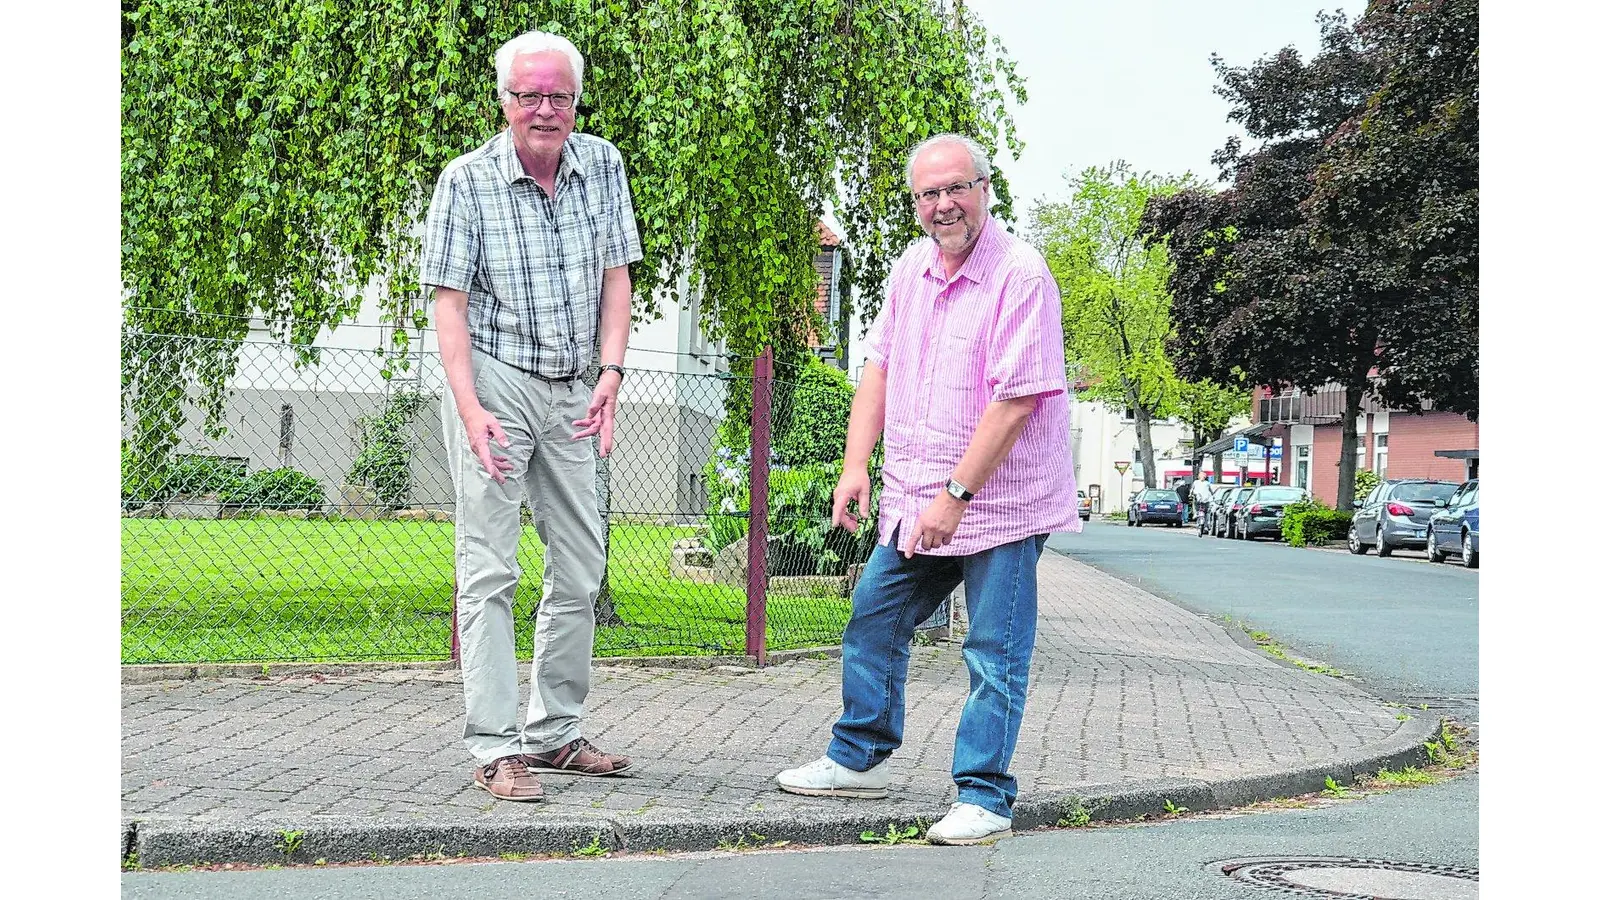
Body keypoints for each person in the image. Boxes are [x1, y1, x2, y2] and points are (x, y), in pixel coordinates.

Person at [775, 134, 1079, 846]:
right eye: (929, 193)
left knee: (993, 649)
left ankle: (985, 795)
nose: (944, 205)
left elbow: (1016, 402)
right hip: (918, 496)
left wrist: (956, 497)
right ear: (916, 203)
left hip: (998, 506)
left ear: (985, 189)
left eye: (957, 188)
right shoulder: (911, 267)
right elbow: (878, 367)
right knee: (874, 616)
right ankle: (860, 756)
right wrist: (857, 467)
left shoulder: (1021, 276)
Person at [419, 30, 643, 802]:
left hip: (575, 385)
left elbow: (618, 277)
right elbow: (449, 305)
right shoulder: (467, 180)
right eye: (528, 95)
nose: (544, 109)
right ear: (505, 101)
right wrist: (470, 405)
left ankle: (553, 733)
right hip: (496, 379)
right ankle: (494, 746)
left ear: (576, 101)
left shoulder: (604, 166)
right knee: (489, 569)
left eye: (558, 96)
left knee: (580, 567)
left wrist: (612, 371)